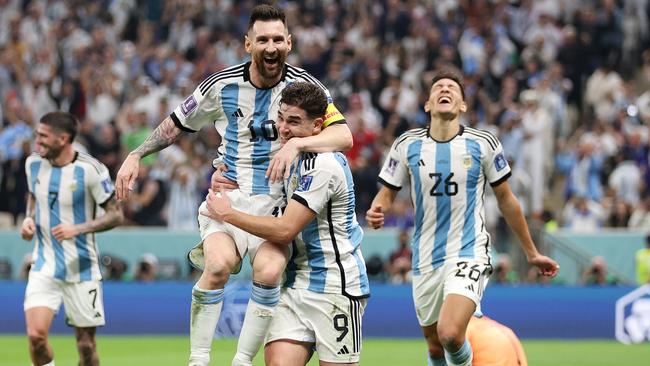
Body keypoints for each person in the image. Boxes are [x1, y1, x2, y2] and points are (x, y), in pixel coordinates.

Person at [114, 5, 352, 366]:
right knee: (218, 267)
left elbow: (343, 133)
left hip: (275, 203)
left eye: (277, 39)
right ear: (247, 44)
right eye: (262, 40)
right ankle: (198, 360)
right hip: (229, 195)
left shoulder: (304, 87)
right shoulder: (221, 85)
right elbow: (176, 123)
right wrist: (136, 154)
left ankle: (241, 361)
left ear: (289, 42)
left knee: (270, 271)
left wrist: (296, 143)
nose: (270, 47)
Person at [365, 68, 559, 366]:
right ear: (428, 104)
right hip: (426, 257)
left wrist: (531, 252)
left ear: (463, 105)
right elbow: (388, 193)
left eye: (452, 88)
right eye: (438, 87)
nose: (445, 90)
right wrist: (379, 208)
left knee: (451, 334)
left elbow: (507, 200)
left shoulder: (483, 143)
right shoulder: (407, 145)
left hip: (468, 251)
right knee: (435, 347)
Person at [202, 82, 369, 366]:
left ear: (317, 126)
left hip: (335, 288)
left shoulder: (325, 165)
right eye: (281, 118)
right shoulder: (289, 157)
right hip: (293, 284)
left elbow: (285, 230)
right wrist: (225, 179)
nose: (283, 128)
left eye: (294, 122)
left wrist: (227, 214)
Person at [20, 111, 124, 366]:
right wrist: (28, 218)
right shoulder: (32, 164)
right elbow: (34, 194)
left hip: (82, 270)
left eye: (43, 136)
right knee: (36, 336)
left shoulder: (91, 169)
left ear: (63, 139)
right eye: (37, 135)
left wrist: (77, 229)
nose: (37, 141)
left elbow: (115, 215)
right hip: (44, 266)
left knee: (86, 347)